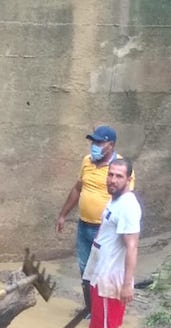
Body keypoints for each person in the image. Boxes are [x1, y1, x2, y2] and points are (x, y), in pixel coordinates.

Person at [55, 125, 134, 314]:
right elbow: (77, 188)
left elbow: (126, 199)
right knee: (85, 268)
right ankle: (91, 309)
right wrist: (63, 215)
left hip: (106, 229)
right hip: (84, 225)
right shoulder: (87, 161)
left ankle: (105, 310)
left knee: (103, 270)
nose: (94, 145)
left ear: (111, 145)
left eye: (99, 142)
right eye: (93, 141)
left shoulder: (119, 168)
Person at [82, 158, 141, 328]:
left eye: (119, 176)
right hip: (102, 276)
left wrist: (127, 285)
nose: (113, 180)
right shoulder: (115, 201)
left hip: (110, 280)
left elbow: (132, 246)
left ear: (129, 179)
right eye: (111, 174)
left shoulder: (127, 205)